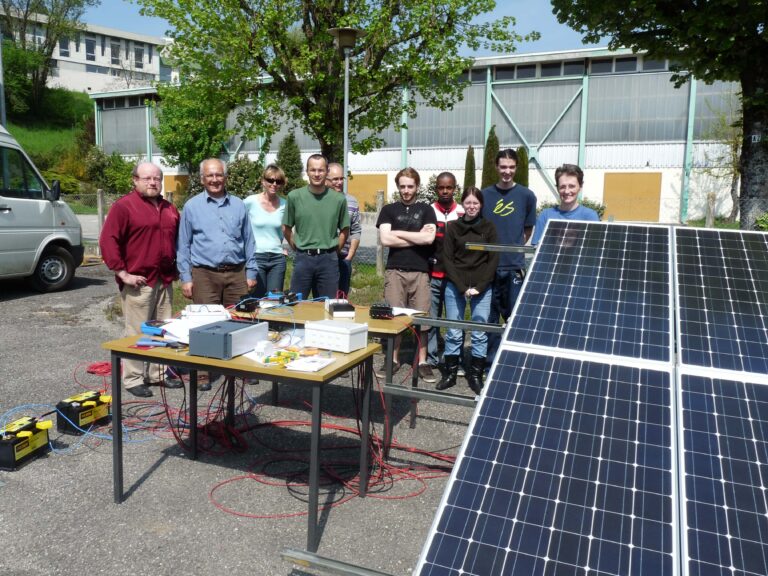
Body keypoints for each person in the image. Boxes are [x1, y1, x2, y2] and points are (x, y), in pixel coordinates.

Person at [99, 162, 181, 398]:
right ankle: (133, 378)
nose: (153, 182)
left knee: (163, 329)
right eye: (147, 178)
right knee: (136, 331)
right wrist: (122, 273)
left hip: (164, 279)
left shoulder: (168, 208)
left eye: (157, 178)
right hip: (139, 281)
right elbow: (108, 241)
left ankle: (158, 373)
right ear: (135, 180)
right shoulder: (124, 207)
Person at [177, 158, 258, 390]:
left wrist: (251, 271)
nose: (215, 179)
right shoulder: (192, 207)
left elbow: (249, 240)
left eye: (219, 175)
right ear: (202, 179)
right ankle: (203, 372)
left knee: (240, 321)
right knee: (204, 323)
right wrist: (186, 277)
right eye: (210, 175)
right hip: (205, 273)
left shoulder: (239, 205)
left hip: (236, 272)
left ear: (225, 177)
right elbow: (183, 244)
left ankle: (241, 368)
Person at [376, 167, 437, 381]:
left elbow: (428, 239)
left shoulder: (427, 210)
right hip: (395, 272)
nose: (406, 190)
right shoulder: (388, 210)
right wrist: (415, 236)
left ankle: (422, 361)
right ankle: (392, 359)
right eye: (402, 186)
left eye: (410, 186)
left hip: (420, 272)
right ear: (398, 187)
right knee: (394, 318)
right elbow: (385, 240)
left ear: (417, 187)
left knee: (422, 319)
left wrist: (398, 232)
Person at [438, 187, 499, 394]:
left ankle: (475, 375)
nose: (472, 206)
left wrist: (480, 287)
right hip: (456, 286)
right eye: (468, 202)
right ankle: (451, 373)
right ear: (463, 204)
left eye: (476, 203)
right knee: (454, 330)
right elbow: (448, 259)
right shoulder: (453, 227)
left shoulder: (489, 227)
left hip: (482, 287)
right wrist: (462, 287)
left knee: (479, 332)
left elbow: (493, 260)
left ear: (481, 204)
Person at [481, 148, 537, 366]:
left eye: (511, 167)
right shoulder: (485, 195)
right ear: (496, 167)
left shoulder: (526, 196)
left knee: (514, 318)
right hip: (489, 267)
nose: (507, 171)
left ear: (517, 168)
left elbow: (527, 231)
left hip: (513, 267)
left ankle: (514, 363)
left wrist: (512, 250)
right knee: (490, 318)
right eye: (503, 167)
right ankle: (490, 363)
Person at [283, 154, 350, 300]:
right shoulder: (294, 197)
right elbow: (286, 227)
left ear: (327, 172)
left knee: (328, 305)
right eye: (313, 170)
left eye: (321, 170)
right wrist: (298, 247)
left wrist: (333, 250)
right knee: (296, 304)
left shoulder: (338, 199)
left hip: (329, 261)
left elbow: (345, 229)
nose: (317, 174)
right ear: (307, 171)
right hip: (303, 259)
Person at [427, 172, 465, 374]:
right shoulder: (429, 211)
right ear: (436, 189)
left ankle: (454, 359)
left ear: (454, 189)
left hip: (455, 279)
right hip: (433, 275)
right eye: (441, 188)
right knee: (432, 322)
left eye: (448, 187)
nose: (444, 191)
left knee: (454, 322)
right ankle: (431, 358)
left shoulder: (462, 212)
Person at [244, 164, 287, 298]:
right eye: (270, 180)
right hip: (256, 256)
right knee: (256, 300)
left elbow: (287, 230)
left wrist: (284, 248)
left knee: (274, 301)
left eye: (278, 181)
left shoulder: (285, 204)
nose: (274, 184)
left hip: (277, 259)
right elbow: (237, 223)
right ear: (263, 181)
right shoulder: (250, 202)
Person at [531, 163, 600, 246]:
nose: (567, 191)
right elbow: (536, 249)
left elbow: (594, 249)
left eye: (572, 186)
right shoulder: (545, 216)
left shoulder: (590, 216)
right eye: (562, 187)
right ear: (557, 188)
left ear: (580, 187)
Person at [327, 162, 362, 297]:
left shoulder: (351, 201)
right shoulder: (319, 200)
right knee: (323, 299)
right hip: (324, 257)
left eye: (341, 178)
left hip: (344, 257)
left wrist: (350, 255)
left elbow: (356, 230)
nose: (339, 182)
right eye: (335, 179)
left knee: (341, 300)